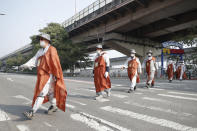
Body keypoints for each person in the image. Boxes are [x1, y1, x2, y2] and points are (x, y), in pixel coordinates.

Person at [20, 33, 67, 119]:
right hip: (41, 75)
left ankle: (32, 112)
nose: (40, 41)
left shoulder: (52, 49)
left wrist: (56, 75)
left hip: (49, 76)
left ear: (47, 41)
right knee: (50, 93)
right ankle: (54, 106)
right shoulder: (40, 51)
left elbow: (55, 63)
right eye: (40, 39)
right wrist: (25, 65)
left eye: (42, 39)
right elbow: (34, 60)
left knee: (41, 93)